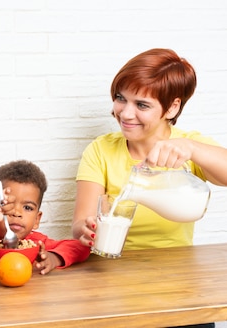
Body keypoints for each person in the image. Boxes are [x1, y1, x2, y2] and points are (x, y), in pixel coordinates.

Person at [72, 48, 227, 253]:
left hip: (177, 268)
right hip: (111, 268)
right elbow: (81, 221)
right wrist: (86, 229)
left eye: (142, 105)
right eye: (120, 98)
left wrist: (192, 149)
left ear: (172, 107)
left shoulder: (187, 147)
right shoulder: (101, 150)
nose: (126, 114)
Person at [0, 160, 90, 275]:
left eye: (28, 208)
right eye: (7, 204)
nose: (17, 213)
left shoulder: (37, 244)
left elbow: (81, 247)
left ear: (37, 219)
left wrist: (53, 258)